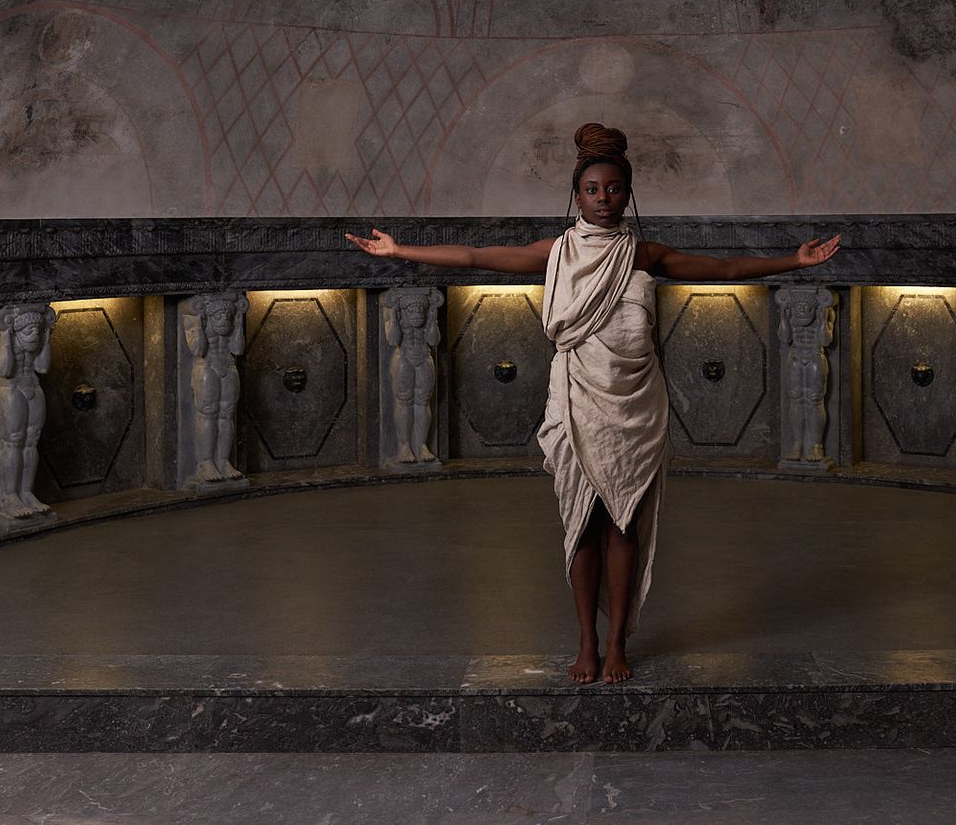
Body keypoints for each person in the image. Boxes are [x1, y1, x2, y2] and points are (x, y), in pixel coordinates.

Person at [347, 122, 841, 685]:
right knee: (582, 524)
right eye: (592, 190)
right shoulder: (556, 252)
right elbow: (474, 255)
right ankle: (586, 640)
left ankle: (616, 644)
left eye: (613, 189)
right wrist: (398, 250)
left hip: (636, 406)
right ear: (576, 195)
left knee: (623, 522)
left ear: (627, 195)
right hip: (576, 400)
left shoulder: (643, 253)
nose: (603, 198)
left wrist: (794, 262)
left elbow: (725, 269)